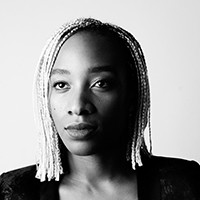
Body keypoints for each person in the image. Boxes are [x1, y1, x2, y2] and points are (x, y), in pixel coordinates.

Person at [0, 18, 199, 200]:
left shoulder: (185, 184)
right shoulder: (13, 191)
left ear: (131, 96)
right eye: (61, 85)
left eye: (101, 83)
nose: (78, 107)